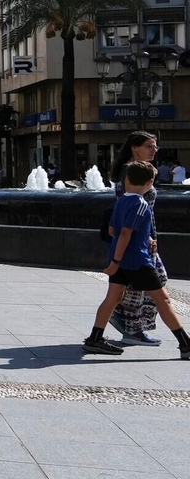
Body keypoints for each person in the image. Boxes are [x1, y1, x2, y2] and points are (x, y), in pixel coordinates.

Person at [86, 160, 190, 358]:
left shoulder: (120, 202)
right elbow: (126, 233)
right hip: (137, 261)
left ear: (127, 179)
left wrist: (118, 258)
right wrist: (118, 260)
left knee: (112, 298)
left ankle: (95, 338)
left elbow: (113, 231)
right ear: (150, 182)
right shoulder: (141, 204)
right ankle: (186, 344)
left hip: (120, 259)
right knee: (163, 300)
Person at [108, 131, 165, 345]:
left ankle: (128, 323)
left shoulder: (137, 169)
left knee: (145, 284)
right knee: (142, 285)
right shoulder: (129, 172)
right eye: (149, 146)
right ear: (134, 147)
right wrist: (145, 237)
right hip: (138, 239)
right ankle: (131, 328)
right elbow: (127, 207)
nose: (154, 150)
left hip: (143, 236)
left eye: (155, 146)